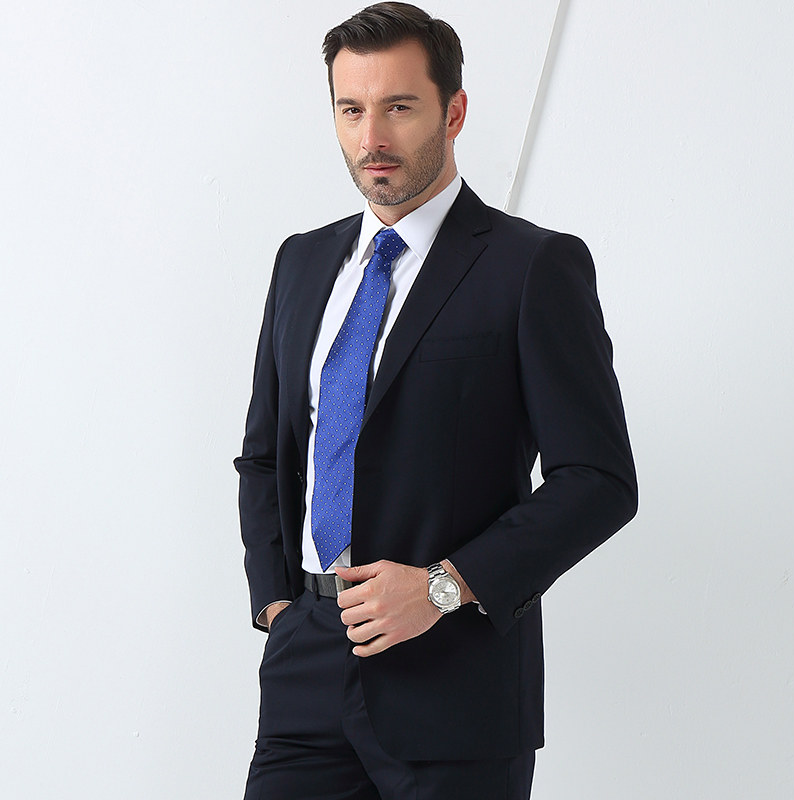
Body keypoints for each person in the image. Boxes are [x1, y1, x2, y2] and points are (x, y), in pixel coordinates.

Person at [234, 3, 637, 798]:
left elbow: (598, 480)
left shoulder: (531, 268)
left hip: (457, 682)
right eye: (352, 109)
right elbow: (266, 454)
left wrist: (443, 587)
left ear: (454, 113)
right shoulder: (302, 263)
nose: (372, 138)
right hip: (305, 667)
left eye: (399, 107)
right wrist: (277, 605)